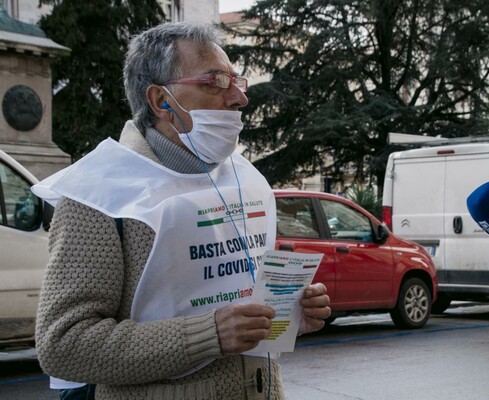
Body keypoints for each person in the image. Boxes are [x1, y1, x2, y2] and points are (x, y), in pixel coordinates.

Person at [33, 21, 331, 400]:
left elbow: (246, 299)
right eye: (216, 81)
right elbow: (64, 344)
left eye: (237, 82)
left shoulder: (244, 177)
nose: (239, 98)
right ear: (161, 101)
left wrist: (290, 312)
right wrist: (210, 334)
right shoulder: (98, 196)